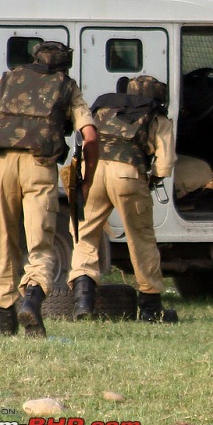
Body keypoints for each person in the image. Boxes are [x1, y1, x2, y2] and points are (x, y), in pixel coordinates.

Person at [0, 41, 99, 337]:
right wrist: (87, 178)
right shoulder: (67, 86)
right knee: (40, 244)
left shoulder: (8, 79)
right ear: (65, 65)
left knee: (4, 242)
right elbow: (89, 136)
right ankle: (32, 300)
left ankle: (6, 322)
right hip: (39, 165)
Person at [67, 75, 177, 323]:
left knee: (84, 235)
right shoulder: (157, 117)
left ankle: (83, 302)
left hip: (91, 170)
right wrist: (152, 180)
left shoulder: (104, 109)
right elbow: (165, 164)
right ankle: (150, 309)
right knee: (141, 240)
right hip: (127, 174)